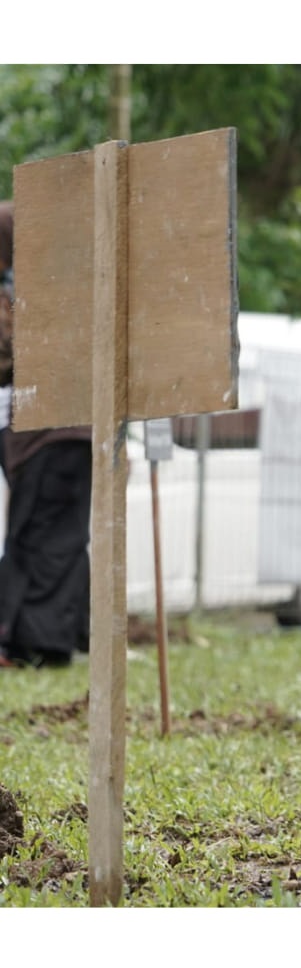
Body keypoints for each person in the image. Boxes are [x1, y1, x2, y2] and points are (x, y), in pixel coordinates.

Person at [0, 200, 92, 668]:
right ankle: (50, 641)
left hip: (47, 438)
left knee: (37, 534)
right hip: (72, 435)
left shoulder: (30, 296)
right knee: (61, 537)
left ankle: (30, 643)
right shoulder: (65, 286)